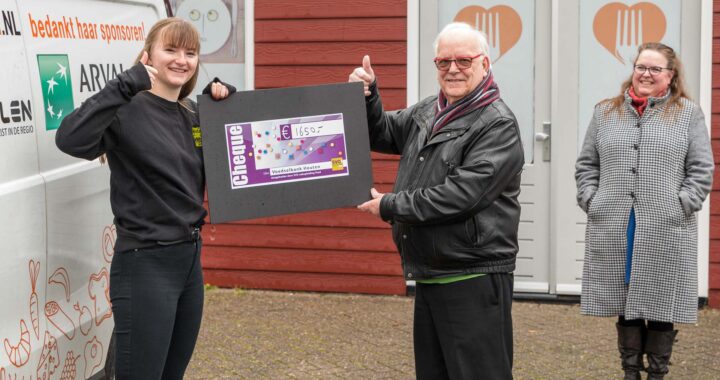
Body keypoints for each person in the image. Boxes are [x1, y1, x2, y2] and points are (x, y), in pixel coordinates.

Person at [55, 17, 234, 379]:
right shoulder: (125, 110)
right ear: (148, 54)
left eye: (191, 52)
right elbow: (70, 139)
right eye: (170, 49)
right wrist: (124, 85)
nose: (181, 59)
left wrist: (227, 109)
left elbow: (237, 165)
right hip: (145, 264)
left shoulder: (193, 115)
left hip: (188, 263)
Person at [349, 22, 524, 379]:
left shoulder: (498, 125)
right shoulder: (430, 110)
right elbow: (382, 131)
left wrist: (390, 205)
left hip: (472, 275)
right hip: (432, 274)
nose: (453, 69)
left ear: (485, 64)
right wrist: (367, 97)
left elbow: (460, 196)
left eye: (463, 60)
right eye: (443, 62)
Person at [575, 42, 713, 380]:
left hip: (666, 223)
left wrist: (684, 203)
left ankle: (657, 374)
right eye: (641, 67)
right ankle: (630, 371)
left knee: (661, 299)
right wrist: (591, 199)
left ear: (670, 75)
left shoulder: (687, 113)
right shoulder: (605, 112)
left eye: (655, 69)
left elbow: (701, 168)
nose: (646, 74)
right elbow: (586, 165)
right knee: (625, 299)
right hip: (616, 221)